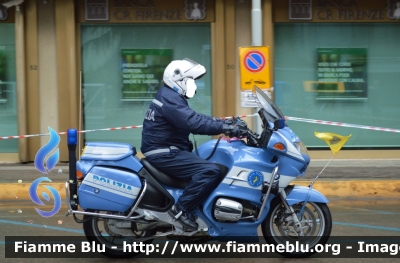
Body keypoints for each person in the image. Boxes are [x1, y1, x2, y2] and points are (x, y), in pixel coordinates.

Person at [141, 58, 247, 231]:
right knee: (209, 171)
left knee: (215, 167)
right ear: (179, 81)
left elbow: (193, 116)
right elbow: (193, 123)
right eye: (191, 81)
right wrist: (225, 128)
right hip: (164, 152)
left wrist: (225, 122)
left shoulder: (169, 96)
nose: (193, 86)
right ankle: (180, 211)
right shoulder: (170, 99)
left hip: (165, 149)